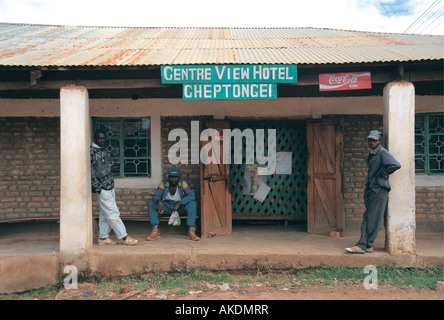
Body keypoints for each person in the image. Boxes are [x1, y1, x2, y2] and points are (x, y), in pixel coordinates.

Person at [346, 130, 401, 254]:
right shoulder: (373, 153)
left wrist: (382, 173)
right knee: (370, 218)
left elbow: (395, 165)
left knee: (371, 219)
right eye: (370, 140)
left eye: (375, 140)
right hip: (373, 189)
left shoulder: (382, 152)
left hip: (378, 190)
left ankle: (364, 245)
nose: (372, 142)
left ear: (380, 140)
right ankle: (367, 246)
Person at [90, 129, 138, 246]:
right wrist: (98, 187)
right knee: (113, 213)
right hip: (102, 188)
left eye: (104, 138)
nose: (102, 140)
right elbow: (91, 171)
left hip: (109, 186)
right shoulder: (91, 152)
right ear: (95, 138)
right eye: (100, 138)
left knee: (105, 213)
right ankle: (124, 237)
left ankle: (103, 237)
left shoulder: (102, 150)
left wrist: (111, 182)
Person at [146, 169, 200, 241]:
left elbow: (191, 195)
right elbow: (155, 195)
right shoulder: (164, 183)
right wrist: (159, 202)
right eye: (171, 177)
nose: (173, 179)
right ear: (168, 177)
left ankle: (191, 231)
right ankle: (155, 230)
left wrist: (179, 203)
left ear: (178, 177)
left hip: (179, 208)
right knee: (151, 204)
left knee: (192, 203)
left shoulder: (182, 183)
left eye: (175, 177)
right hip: (166, 207)